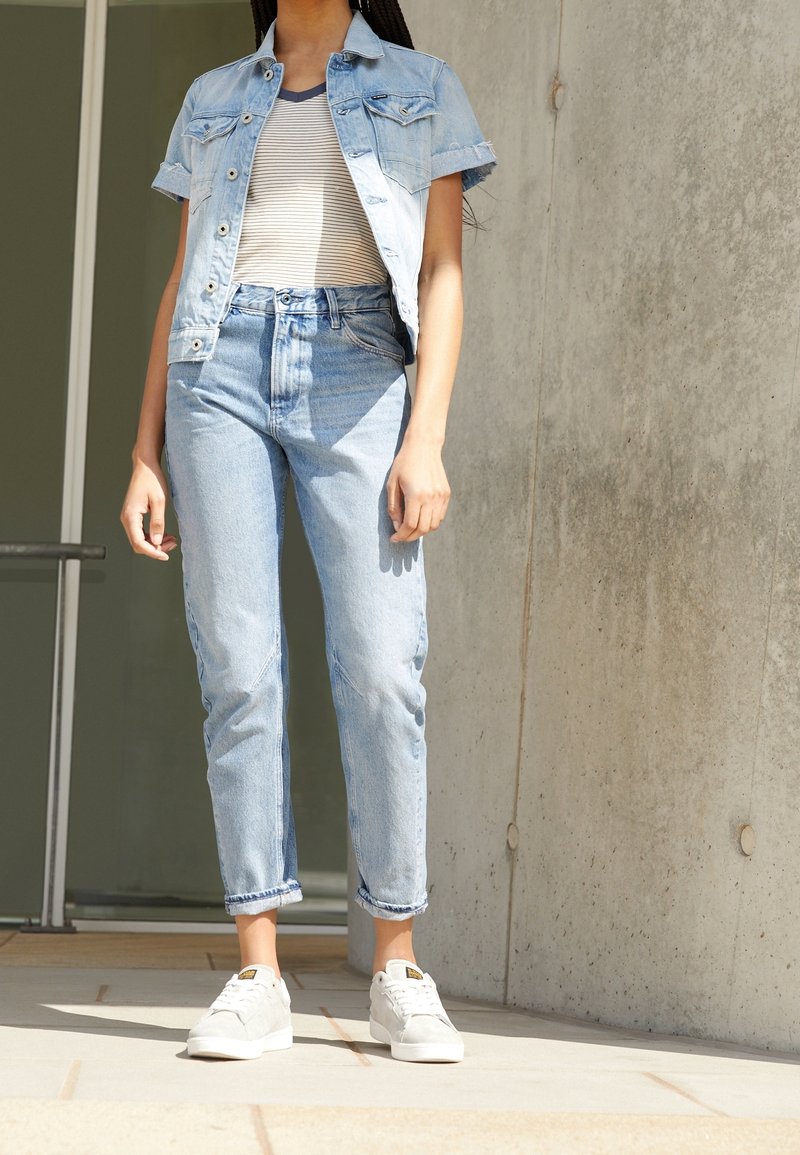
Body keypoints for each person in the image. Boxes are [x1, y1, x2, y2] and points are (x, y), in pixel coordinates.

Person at [120, 0, 497, 1064]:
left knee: (381, 667)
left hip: (357, 367)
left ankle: (397, 968)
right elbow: (183, 281)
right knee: (239, 668)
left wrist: (426, 437)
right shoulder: (214, 98)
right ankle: (257, 974)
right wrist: (144, 450)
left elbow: (442, 271)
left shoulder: (421, 87)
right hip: (218, 372)